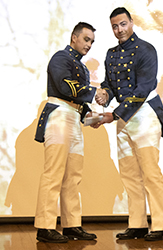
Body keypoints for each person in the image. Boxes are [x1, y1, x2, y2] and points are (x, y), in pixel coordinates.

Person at [95, 7, 163, 241]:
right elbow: (109, 83)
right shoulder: (111, 54)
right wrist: (105, 94)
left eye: (123, 24)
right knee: (129, 174)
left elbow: (143, 88)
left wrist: (114, 114)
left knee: (150, 173)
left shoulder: (146, 50)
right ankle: (137, 224)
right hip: (122, 117)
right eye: (115, 26)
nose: (119, 30)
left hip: (145, 113)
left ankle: (160, 226)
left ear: (132, 22)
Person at [34, 22, 100, 243]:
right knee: (53, 173)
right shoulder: (61, 58)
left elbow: (78, 99)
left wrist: (92, 116)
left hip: (73, 116)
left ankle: (71, 225)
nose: (89, 45)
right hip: (59, 114)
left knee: (73, 176)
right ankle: (45, 226)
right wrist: (94, 92)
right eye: (86, 39)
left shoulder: (80, 66)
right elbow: (65, 87)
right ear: (74, 38)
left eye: (91, 41)